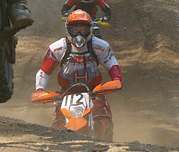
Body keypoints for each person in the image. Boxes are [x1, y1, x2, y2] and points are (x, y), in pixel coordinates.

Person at [35, 9, 122, 141]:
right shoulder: (58, 48)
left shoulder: (100, 46)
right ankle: (59, 148)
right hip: (65, 93)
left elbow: (112, 65)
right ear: (68, 29)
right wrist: (40, 90)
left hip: (94, 91)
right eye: (75, 30)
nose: (79, 34)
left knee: (105, 123)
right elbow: (44, 71)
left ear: (90, 29)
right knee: (57, 126)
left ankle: (106, 148)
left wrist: (116, 80)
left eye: (83, 29)